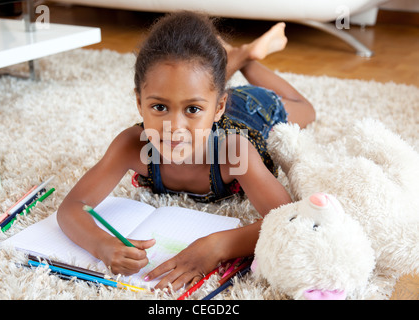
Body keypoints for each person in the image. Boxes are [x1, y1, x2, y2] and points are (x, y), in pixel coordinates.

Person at [57, 11, 315, 291]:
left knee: (306, 110)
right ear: (139, 102)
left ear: (219, 108)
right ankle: (231, 60)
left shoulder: (234, 150)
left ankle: (246, 57)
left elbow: (290, 218)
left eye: (191, 110)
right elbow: (71, 208)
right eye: (159, 107)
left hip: (254, 110)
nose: (174, 127)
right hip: (210, 99)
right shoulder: (132, 145)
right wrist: (103, 245)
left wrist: (217, 246)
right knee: (193, 81)